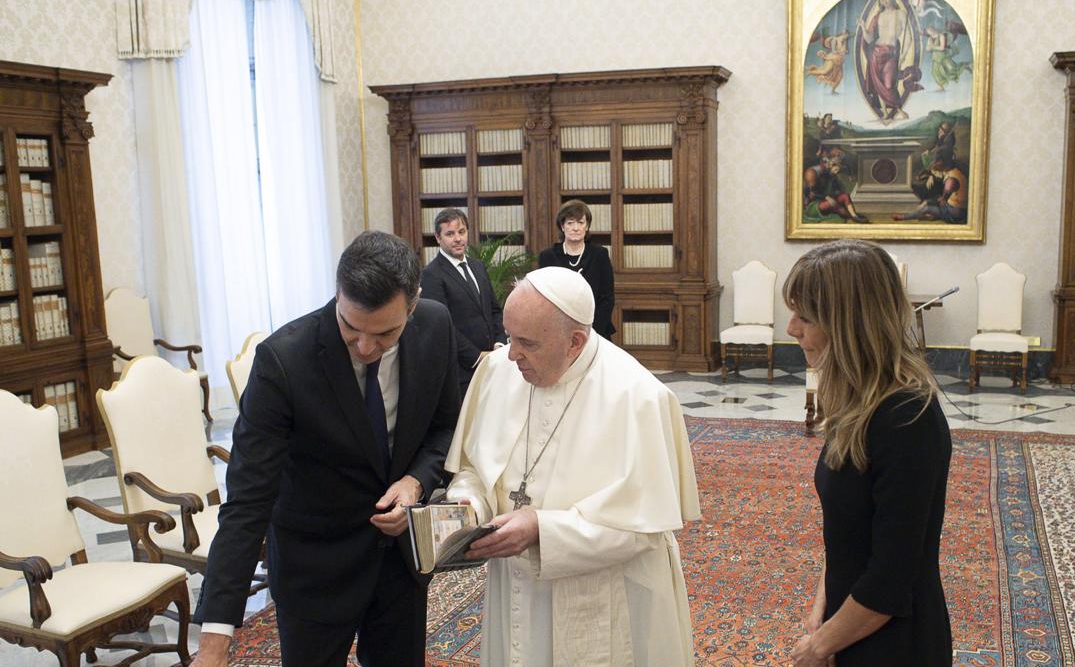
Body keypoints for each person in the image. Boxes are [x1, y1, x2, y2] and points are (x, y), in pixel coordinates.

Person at [192, 231, 461, 667]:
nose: (366, 348)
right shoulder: (283, 362)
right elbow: (247, 501)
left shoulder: (436, 326)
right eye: (351, 329)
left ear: (413, 305)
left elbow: (446, 429)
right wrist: (215, 636)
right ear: (337, 295)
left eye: (385, 334)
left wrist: (416, 482)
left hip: (398, 566)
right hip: (314, 570)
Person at [444, 266, 700, 665]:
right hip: (513, 583)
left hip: (602, 597)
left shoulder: (638, 397)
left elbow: (642, 532)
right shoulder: (498, 370)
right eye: (509, 337)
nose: (512, 354)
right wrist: (469, 506)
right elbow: (474, 468)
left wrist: (542, 530)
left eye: (526, 342)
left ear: (575, 342)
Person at [785, 240, 952, 666]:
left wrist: (817, 647)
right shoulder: (857, 400)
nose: (791, 328)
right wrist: (824, 613)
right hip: (852, 623)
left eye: (805, 316)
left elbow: (892, 578)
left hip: (895, 641)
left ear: (847, 322)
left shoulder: (905, 418)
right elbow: (850, 535)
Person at [420, 207, 507, 395]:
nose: (458, 238)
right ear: (438, 238)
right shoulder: (431, 275)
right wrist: (477, 356)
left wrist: (499, 345)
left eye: (462, 232)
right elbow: (442, 326)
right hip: (462, 373)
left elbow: (494, 310)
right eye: (450, 234)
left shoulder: (478, 267)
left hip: (494, 365)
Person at [538, 199, 616, 340]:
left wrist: (590, 331)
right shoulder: (548, 257)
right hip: (558, 333)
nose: (576, 228)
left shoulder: (599, 255)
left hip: (596, 331)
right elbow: (544, 299)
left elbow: (607, 298)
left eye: (580, 223)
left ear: (587, 227)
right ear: (562, 226)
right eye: (570, 223)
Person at [893, 150, 967, 224]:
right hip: (956, 209)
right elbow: (936, 174)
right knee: (930, 212)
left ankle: (903, 217)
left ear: (941, 162)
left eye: (935, 162)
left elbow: (942, 202)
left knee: (927, 209)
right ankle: (928, 215)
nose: (933, 164)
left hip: (954, 212)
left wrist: (927, 202)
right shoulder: (953, 171)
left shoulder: (951, 180)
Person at [804, 157, 870, 223]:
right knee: (832, 203)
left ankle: (854, 216)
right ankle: (850, 216)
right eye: (835, 169)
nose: (836, 172)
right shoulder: (821, 177)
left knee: (845, 196)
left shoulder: (833, 178)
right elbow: (815, 193)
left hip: (829, 199)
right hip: (816, 203)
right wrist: (827, 197)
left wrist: (836, 193)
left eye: (837, 170)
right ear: (830, 167)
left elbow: (836, 190)